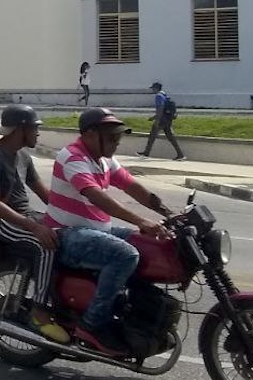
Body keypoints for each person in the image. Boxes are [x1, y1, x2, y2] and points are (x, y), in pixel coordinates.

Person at [47, 108, 173, 357]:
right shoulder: (73, 156)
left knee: (148, 245)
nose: (116, 143)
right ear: (91, 135)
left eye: (118, 138)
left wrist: (168, 213)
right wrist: (141, 220)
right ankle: (92, 324)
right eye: (112, 137)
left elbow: (132, 186)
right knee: (125, 255)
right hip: (68, 234)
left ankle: (134, 313)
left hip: (96, 230)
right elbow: (96, 195)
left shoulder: (104, 159)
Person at [0, 104, 67, 343]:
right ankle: (39, 312)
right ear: (20, 129)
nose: (38, 133)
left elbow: (44, 193)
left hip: (25, 217)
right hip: (2, 222)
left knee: (73, 238)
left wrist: (71, 214)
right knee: (45, 246)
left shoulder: (23, 155)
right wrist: (34, 226)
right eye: (35, 128)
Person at [138, 81, 184, 161]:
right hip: (168, 119)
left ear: (156, 88)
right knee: (170, 137)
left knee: (152, 135)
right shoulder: (164, 95)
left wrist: (157, 120)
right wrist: (153, 117)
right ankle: (180, 154)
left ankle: (146, 153)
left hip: (162, 119)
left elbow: (160, 109)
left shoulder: (158, 96)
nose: (152, 90)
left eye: (153, 88)